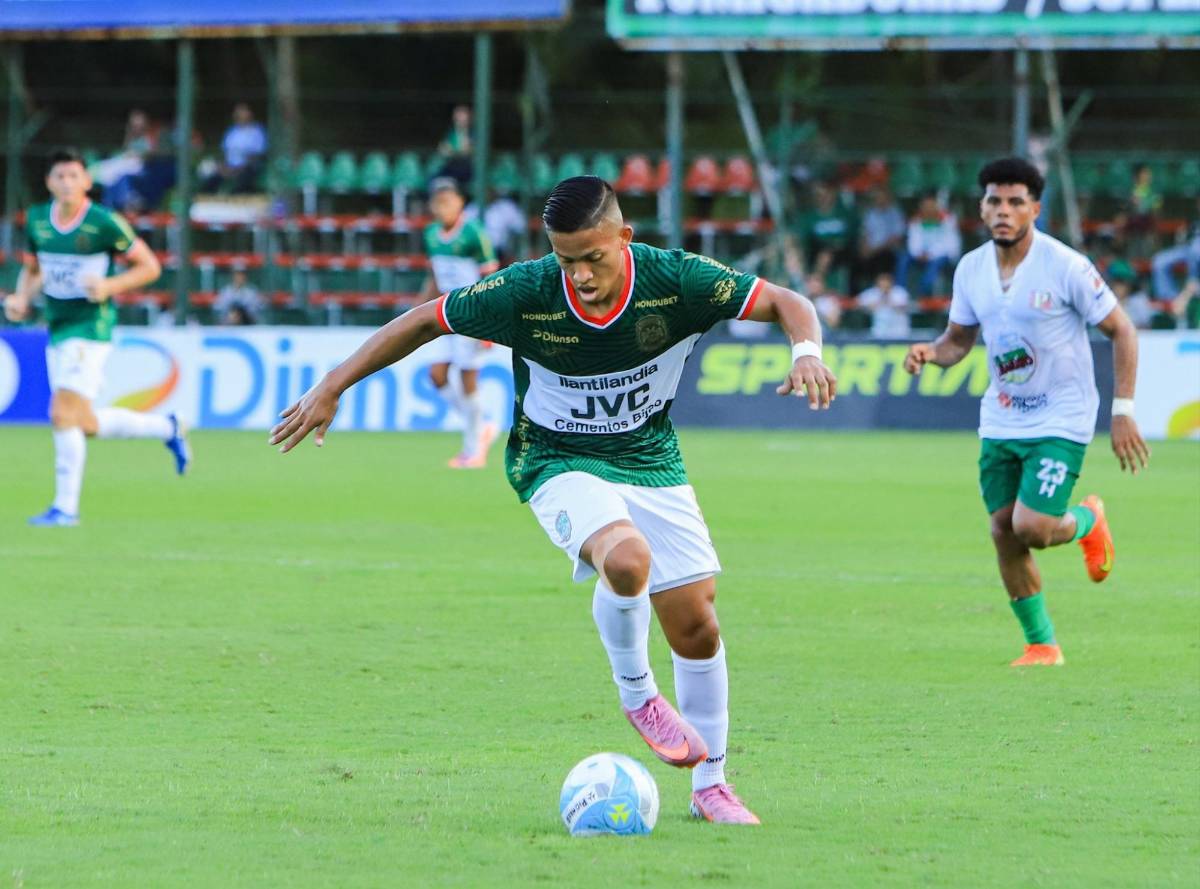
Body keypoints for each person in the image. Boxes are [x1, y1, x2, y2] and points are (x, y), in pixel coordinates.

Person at [270, 176, 838, 825]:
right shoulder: (527, 291)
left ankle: (712, 784)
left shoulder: (677, 280)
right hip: (555, 457)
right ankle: (639, 693)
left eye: (592, 257)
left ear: (625, 237)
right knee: (626, 559)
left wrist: (807, 352)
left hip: (650, 457)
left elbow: (787, 301)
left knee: (697, 622)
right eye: (567, 259)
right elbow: (428, 317)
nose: (581, 274)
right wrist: (333, 384)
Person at [903, 157, 1149, 667]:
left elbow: (1122, 329)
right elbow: (958, 341)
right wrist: (931, 352)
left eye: (1016, 202)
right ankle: (1042, 644)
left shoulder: (1066, 266)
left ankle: (1087, 520)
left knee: (1033, 527)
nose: (1004, 211)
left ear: (1035, 208)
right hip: (1002, 417)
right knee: (1002, 529)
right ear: (982, 207)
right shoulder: (971, 269)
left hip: (1062, 416)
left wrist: (1123, 410)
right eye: (995, 200)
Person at [2, 149, 191, 527]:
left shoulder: (105, 222)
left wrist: (110, 284)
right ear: (49, 182)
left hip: (91, 327)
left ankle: (64, 509)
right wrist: (23, 297)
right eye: (60, 176)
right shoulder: (38, 220)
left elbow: (150, 266)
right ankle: (166, 426)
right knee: (82, 422)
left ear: (87, 181)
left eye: (74, 176)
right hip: (57, 325)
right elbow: (36, 269)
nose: (67, 182)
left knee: (60, 412)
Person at [419, 177, 501, 468]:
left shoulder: (473, 233)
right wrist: (417, 311)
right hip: (444, 313)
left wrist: (490, 324)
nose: (443, 208)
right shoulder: (430, 234)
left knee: (468, 381)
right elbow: (434, 277)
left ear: (460, 203)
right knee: (437, 375)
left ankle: (473, 449)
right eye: (437, 202)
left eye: (448, 201)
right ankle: (482, 427)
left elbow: (492, 279)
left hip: (472, 315)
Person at [897, 191, 961, 296]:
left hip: (942, 257)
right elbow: (912, 244)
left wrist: (931, 254)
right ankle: (900, 294)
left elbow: (951, 246)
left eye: (932, 205)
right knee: (903, 258)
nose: (929, 208)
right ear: (921, 206)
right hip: (921, 256)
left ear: (937, 205)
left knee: (936, 263)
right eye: (926, 206)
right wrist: (919, 253)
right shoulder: (916, 220)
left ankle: (923, 294)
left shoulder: (948, 220)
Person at [201, 103, 267, 195]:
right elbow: (224, 153)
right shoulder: (231, 131)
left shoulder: (257, 132)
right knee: (210, 182)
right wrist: (222, 166)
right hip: (229, 167)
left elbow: (256, 156)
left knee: (240, 185)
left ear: (249, 114)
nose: (239, 115)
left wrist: (238, 169)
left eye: (242, 112)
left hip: (247, 168)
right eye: (237, 113)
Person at [857, 186, 906, 283]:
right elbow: (865, 233)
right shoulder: (870, 213)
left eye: (882, 197)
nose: (879, 200)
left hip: (887, 249)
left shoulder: (896, 214)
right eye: (877, 197)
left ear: (888, 198)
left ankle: (881, 288)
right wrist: (864, 247)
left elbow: (896, 238)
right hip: (871, 249)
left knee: (882, 258)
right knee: (855, 259)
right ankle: (855, 295)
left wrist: (875, 249)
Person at [856, 270, 911, 339]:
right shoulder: (872, 293)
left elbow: (903, 306)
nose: (884, 286)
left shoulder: (900, 292)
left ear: (891, 283)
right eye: (882, 283)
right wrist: (870, 306)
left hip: (899, 332)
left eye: (887, 283)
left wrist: (887, 298)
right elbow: (858, 303)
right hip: (879, 331)